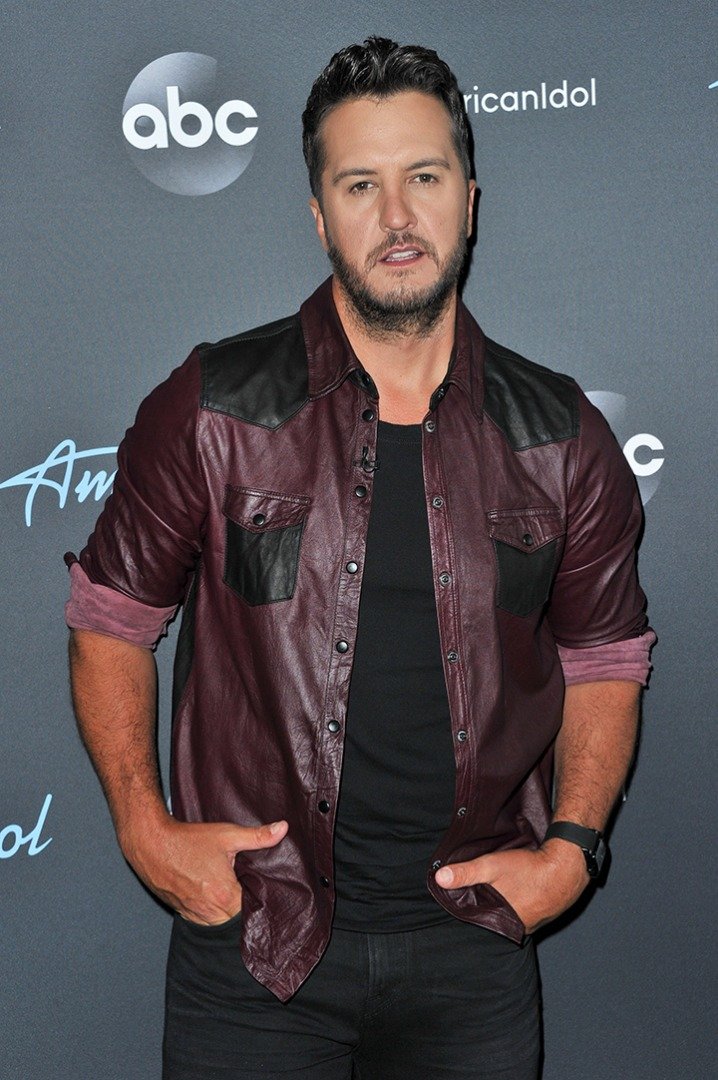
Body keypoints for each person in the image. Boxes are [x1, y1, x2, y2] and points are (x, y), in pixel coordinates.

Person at [66, 36, 655, 1080]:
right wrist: (144, 830)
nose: (396, 217)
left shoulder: (558, 436)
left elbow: (603, 657)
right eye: (359, 184)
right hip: (255, 943)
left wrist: (571, 849)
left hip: (472, 946)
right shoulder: (212, 406)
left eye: (423, 178)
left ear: (467, 199)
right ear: (317, 214)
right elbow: (111, 617)